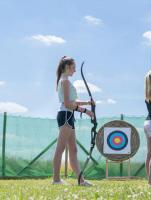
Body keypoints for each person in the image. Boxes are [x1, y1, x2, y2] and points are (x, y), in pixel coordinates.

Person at [53, 56, 94, 186]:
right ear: (67, 67)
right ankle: (56, 180)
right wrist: (85, 111)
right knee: (60, 149)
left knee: (73, 150)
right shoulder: (64, 81)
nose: (75, 71)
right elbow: (67, 103)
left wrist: (87, 103)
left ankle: (80, 181)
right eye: (73, 68)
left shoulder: (66, 81)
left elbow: (72, 102)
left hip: (68, 116)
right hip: (65, 115)